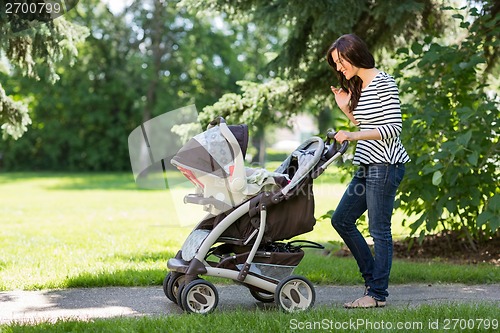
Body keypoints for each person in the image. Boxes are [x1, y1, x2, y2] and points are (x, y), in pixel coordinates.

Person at [326, 34, 410, 308]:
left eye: (340, 62)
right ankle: (372, 281)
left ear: (353, 54)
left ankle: (376, 295)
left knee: (379, 230)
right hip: (368, 164)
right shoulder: (360, 86)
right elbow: (366, 124)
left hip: (386, 165)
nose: (339, 69)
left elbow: (392, 129)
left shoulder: (384, 82)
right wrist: (346, 109)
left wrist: (350, 136)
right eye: (336, 65)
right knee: (341, 219)